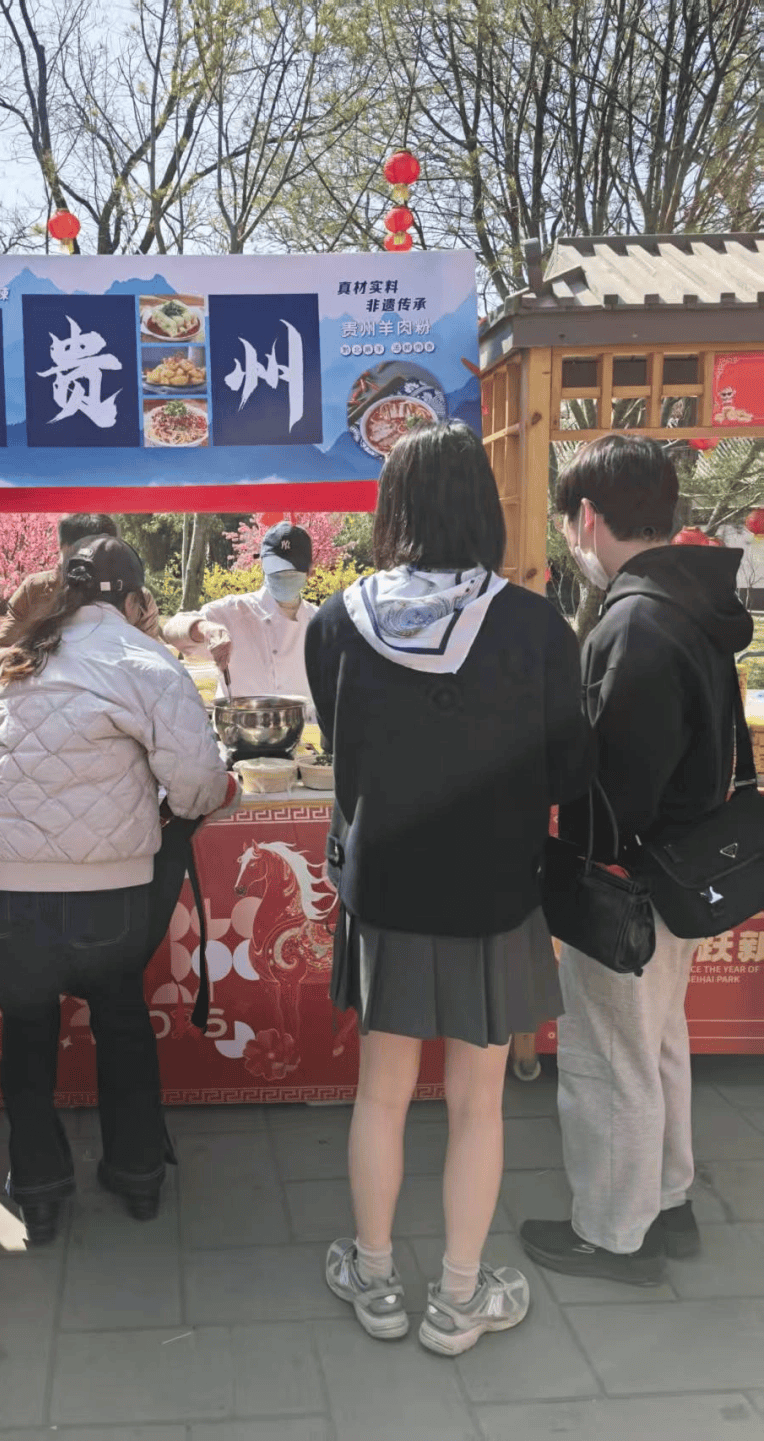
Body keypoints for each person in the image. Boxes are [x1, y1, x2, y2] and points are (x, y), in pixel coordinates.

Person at [304, 422, 593, 1355]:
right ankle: (459, 1300)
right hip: (498, 892)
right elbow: (565, 772)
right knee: (478, 1101)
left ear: (393, 509)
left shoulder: (334, 621)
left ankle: (377, 1277)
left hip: (385, 892)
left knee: (380, 1094)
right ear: (484, 508)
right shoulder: (534, 622)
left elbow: (344, 757)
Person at [520, 435, 752, 1284]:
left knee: (608, 1056)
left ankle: (615, 1233)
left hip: (629, 887)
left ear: (585, 518)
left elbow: (614, 786)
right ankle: (669, 1196)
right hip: (686, 875)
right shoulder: (688, 603)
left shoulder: (634, 621)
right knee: (656, 1043)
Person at [0, 535, 235, 1242]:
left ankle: (40, 1187)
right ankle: (139, 1173)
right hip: (105, 888)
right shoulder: (147, 660)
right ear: (137, 598)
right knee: (119, 1015)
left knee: (28, 1031)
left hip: (3, 880)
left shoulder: (16, 655)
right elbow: (199, 785)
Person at [163, 521, 315, 701]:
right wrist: (205, 629)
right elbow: (171, 628)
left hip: (307, 728)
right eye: (276, 568)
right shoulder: (234, 611)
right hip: (241, 725)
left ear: (310, 570)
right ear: (262, 565)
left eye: (291, 570)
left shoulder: (319, 621)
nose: (282, 575)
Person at [0, 513, 160, 660]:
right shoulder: (35, 589)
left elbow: (149, 657)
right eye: (88, 552)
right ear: (64, 548)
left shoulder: (135, 597)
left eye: (108, 552)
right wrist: (39, 658)